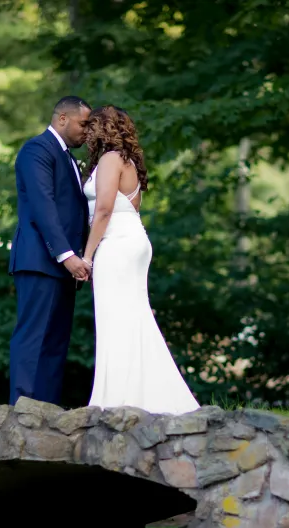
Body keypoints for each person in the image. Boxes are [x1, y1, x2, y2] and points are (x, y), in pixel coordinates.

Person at [79, 105, 200, 415]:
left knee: (115, 319)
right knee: (134, 317)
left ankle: (117, 399)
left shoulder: (109, 159)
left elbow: (104, 209)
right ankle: (141, 395)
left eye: (91, 126)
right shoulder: (127, 161)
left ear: (103, 128)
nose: (87, 133)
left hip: (116, 244)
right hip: (134, 240)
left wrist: (88, 256)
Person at [8, 96, 92, 406]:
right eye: (83, 124)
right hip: (40, 260)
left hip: (62, 266)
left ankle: (47, 412)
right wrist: (68, 255)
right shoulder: (37, 150)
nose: (87, 131)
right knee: (33, 338)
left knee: (56, 343)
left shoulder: (67, 156)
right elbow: (43, 206)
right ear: (62, 119)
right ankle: (23, 412)